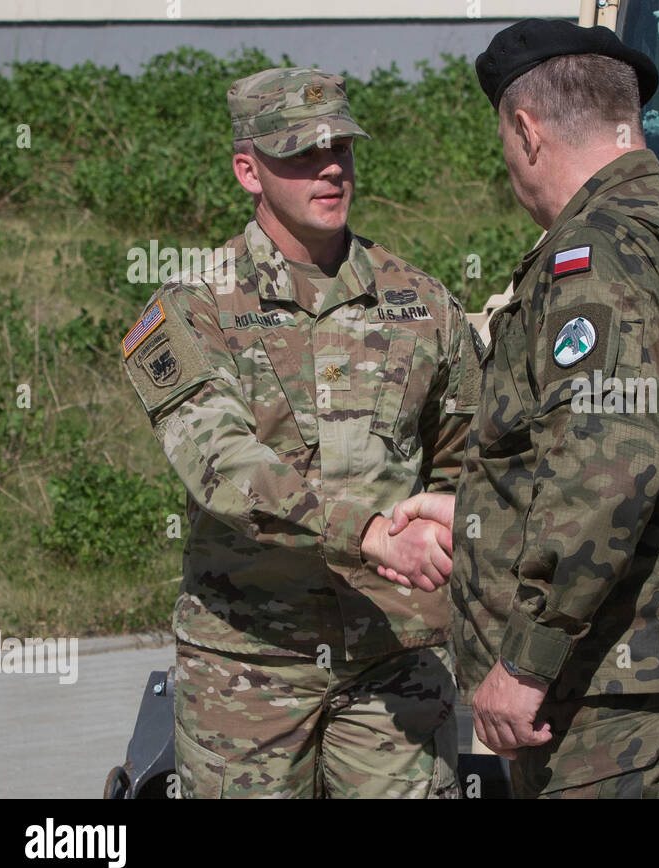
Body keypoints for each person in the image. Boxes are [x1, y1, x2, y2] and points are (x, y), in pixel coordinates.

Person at [389, 20, 659, 798]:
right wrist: (478, 515)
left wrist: (527, 659)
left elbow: (610, 466)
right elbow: (657, 450)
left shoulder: (595, 252)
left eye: (504, 141)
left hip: (606, 682)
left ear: (526, 131)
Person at [121, 67, 479, 798]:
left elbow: (469, 464)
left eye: (341, 148)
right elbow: (222, 465)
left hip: (393, 662)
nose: (329, 167)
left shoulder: (424, 305)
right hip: (249, 668)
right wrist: (370, 532)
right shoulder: (193, 309)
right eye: (300, 152)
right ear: (247, 170)